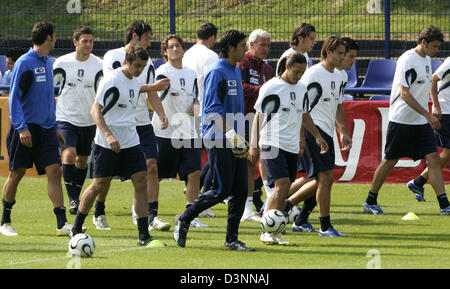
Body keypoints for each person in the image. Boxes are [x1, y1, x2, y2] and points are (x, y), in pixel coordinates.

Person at [70, 44, 165, 248]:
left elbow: (139, 88)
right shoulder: (111, 79)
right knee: (98, 185)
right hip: (107, 142)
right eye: (137, 66)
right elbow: (95, 110)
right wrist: (108, 134)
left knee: (141, 180)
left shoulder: (135, 80)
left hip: (131, 140)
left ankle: (143, 235)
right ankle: (76, 228)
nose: (140, 70)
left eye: (143, 66)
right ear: (127, 62)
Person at [173, 30, 255, 251]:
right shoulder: (216, 72)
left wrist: (240, 137)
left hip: (234, 139)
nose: (245, 50)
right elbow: (210, 110)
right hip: (218, 138)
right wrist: (232, 135)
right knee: (220, 189)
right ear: (229, 48)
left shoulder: (235, 71)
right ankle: (184, 218)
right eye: (241, 46)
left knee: (239, 189)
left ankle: (231, 240)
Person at [363, 25, 450, 216]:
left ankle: (444, 205)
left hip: (420, 121)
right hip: (401, 119)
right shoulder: (407, 60)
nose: (436, 51)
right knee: (390, 161)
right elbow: (404, 93)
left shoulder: (427, 59)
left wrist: (429, 110)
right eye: (434, 46)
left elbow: (427, 87)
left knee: (434, 159)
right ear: (423, 42)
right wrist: (428, 114)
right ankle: (370, 200)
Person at [0, 21, 74, 237]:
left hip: (48, 129)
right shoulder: (25, 63)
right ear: (49, 37)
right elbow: (14, 99)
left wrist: (55, 125)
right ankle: (5, 221)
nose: (56, 38)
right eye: (55, 34)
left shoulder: (49, 62)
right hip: (25, 129)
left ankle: (61, 223)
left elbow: (47, 99)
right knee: (17, 173)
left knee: (55, 171)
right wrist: (22, 128)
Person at [249, 52, 328, 245]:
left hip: (291, 145)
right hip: (271, 142)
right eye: (296, 72)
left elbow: (304, 115)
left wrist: (317, 136)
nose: (299, 76)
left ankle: (271, 228)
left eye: (302, 72)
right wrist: (253, 144)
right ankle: (267, 231)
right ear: (287, 67)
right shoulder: (271, 87)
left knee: (284, 189)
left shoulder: (302, 88)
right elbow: (258, 116)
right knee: (282, 185)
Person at [285, 37, 359, 233]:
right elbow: (301, 108)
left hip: (326, 133)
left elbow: (337, 106)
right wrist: (302, 137)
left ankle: (299, 220)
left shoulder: (341, 76)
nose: (344, 57)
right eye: (341, 53)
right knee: (325, 178)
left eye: (345, 53)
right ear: (328, 52)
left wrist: (343, 131)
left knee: (320, 178)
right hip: (313, 131)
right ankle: (323, 225)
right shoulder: (313, 75)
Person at [101, 20, 170, 231]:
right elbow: (122, 86)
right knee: (103, 177)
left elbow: (151, 91)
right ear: (134, 37)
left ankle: (148, 214)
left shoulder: (147, 62)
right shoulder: (112, 57)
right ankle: (98, 210)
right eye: (147, 38)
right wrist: (153, 86)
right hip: (118, 123)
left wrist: (161, 113)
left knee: (151, 167)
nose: (149, 44)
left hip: (141, 122)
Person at [153, 34, 207, 228]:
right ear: (165, 52)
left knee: (194, 172)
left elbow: (196, 97)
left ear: (183, 49)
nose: (175, 49)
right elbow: (152, 98)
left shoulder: (191, 73)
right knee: (157, 175)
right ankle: (150, 213)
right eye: (171, 47)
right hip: (166, 132)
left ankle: (190, 215)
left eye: (178, 46)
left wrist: (195, 105)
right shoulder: (161, 72)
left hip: (189, 131)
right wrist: (161, 115)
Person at [53, 25, 103, 215]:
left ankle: (76, 196)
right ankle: (73, 199)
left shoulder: (99, 64)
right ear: (75, 42)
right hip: (66, 118)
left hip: (88, 120)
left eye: (91, 41)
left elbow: (103, 91)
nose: (89, 44)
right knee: (69, 153)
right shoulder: (61, 63)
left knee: (82, 161)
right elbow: (50, 85)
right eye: (85, 41)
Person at [183, 22, 219, 218]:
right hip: (206, 111)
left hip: (187, 111)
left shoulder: (187, 54)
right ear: (212, 37)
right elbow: (211, 84)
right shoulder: (211, 56)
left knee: (195, 159)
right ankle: (202, 200)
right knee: (215, 156)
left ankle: (194, 195)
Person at [237, 29, 273, 221]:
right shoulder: (241, 64)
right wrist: (263, 90)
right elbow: (238, 86)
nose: (266, 49)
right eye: (262, 45)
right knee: (247, 163)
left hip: (263, 121)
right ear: (251, 45)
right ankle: (246, 207)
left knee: (261, 160)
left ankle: (265, 202)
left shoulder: (267, 69)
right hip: (243, 119)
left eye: (268, 45)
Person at [407, 56, 450, 202]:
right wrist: (436, 106)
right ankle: (418, 182)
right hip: (445, 112)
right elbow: (433, 81)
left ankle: (418, 181)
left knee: (446, 153)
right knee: (445, 152)